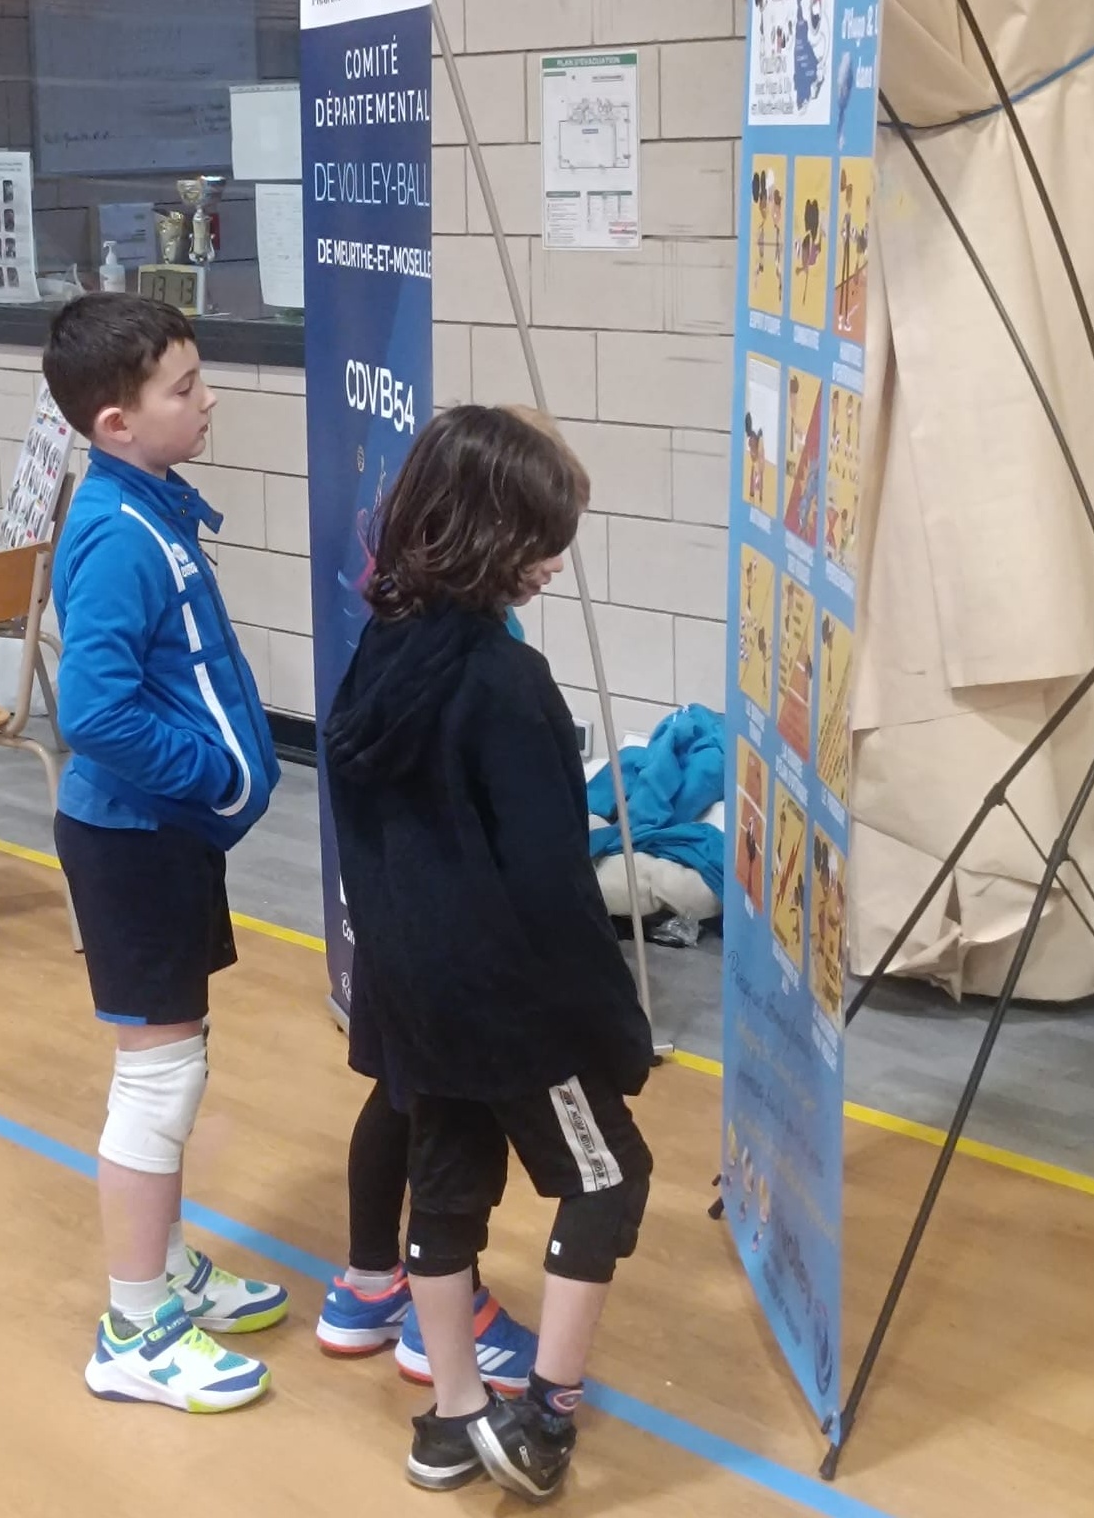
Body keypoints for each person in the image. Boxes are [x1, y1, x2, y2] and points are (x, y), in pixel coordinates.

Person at [324, 405, 654, 1500]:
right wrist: (611, 1027)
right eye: (542, 541)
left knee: (447, 1190)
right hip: (511, 1008)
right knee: (610, 1176)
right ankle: (547, 1414)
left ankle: (453, 1416)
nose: (554, 564)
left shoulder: (379, 653)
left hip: (414, 991)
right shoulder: (509, 687)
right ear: (490, 535)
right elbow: (554, 891)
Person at [43, 295, 288, 1414]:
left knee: (177, 1060)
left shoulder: (148, 508)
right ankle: (134, 1327)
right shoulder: (117, 534)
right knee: (159, 1078)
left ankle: (169, 1264)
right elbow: (94, 709)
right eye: (183, 388)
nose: (208, 400)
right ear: (116, 423)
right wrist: (212, 773)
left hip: (163, 838)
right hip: (131, 840)